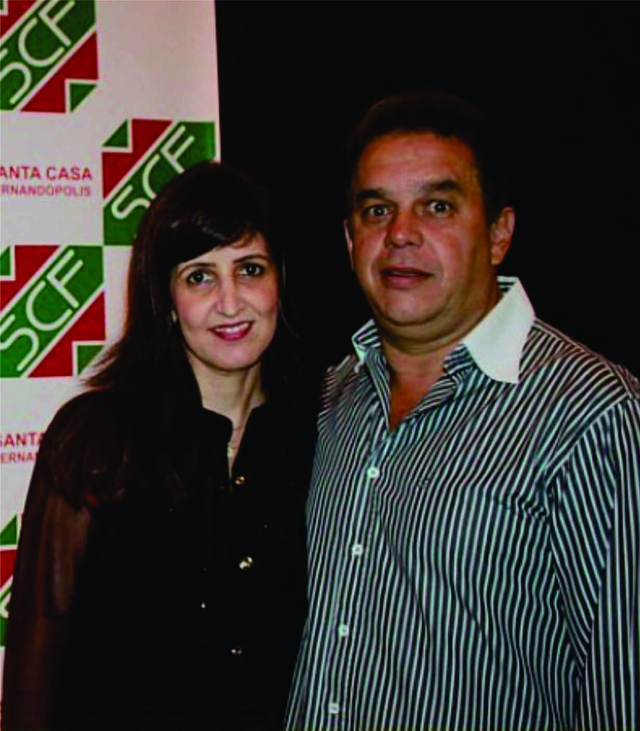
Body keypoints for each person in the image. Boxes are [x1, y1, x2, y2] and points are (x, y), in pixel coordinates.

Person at [286, 91, 640, 731]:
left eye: (437, 206)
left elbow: (624, 686)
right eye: (377, 210)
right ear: (350, 238)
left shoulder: (591, 413)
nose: (400, 233)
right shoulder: (331, 399)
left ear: (499, 233)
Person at [2, 161, 316, 731]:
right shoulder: (97, 440)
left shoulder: (321, 437)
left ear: (280, 283)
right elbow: (35, 660)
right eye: (199, 276)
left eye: (250, 269)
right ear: (166, 298)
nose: (230, 302)